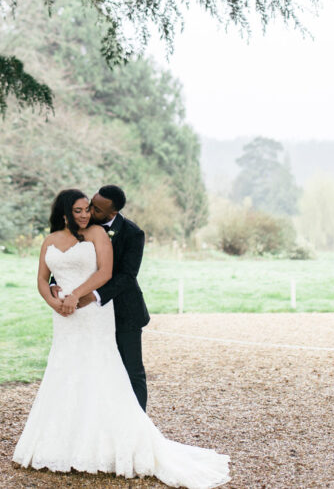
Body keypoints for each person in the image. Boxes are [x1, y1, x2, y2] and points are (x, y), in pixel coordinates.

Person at [13, 189, 230, 488]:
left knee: (124, 371)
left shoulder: (119, 234)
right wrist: (55, 300)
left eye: (92, 209)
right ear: (65, 212)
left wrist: (80, 296)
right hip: (65, 316)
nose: (89, 214)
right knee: (66, 370)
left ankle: (131, 435)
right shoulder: (52, 239)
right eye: (82, 209)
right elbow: (45, 277)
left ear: (109, 209)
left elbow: (117, 274)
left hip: (109, 310)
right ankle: (64, 442)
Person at [53, 185, 150, 410]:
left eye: (96, 209)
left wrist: (93, 296)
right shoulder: (82, 226)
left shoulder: (133, 233)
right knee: (94, 368)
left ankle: (137, 426)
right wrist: (54, 284)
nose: (89, 212)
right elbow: (62, 258)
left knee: (131, 371)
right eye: (90, 205)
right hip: (89, 316)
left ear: (112, 213)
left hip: (125, 312)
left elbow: (127, 275)